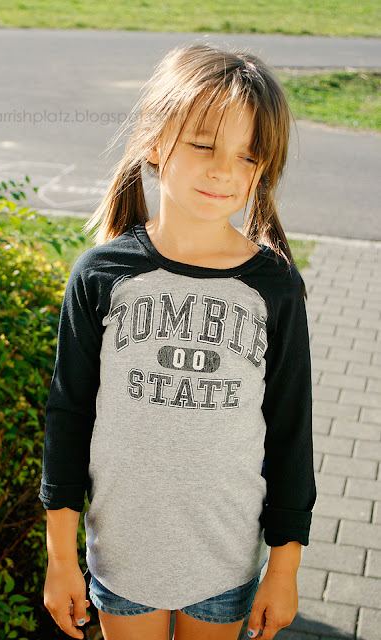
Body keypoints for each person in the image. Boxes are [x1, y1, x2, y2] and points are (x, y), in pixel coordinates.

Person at [39, 42, 317, 640]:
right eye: (203, 145)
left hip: (225, 562)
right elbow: (69, 416)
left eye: (248, 156)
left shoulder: (275, 287)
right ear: (155, 139)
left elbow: (291, 432)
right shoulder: (101, 275)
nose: (224, 171)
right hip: (122, 556)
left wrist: (285, 565)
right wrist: (60, 556)